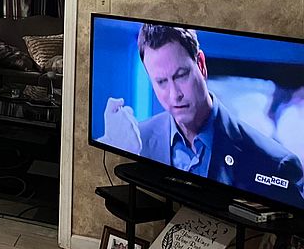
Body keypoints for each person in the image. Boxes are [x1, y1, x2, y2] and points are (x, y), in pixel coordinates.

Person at [101, 23, 304, 206]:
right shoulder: (136, 142)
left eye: (181, 75)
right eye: (161, 82)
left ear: (201, 65)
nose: (175, 95)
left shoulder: (276, 163)